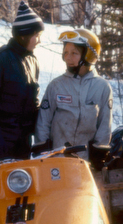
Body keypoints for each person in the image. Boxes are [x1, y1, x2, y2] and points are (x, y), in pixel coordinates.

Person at [0, 1, 44, 161]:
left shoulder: (33, 61)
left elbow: (34, 100)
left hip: (24, 139)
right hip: (2, 138)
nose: (39, 41)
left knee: (24, 182)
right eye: (37, 36)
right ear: (24, 35)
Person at [34, 28, 112, 162]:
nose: (68, 58)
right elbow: (43, 122)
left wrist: (99, 152)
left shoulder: (102, 87)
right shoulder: (56, 85)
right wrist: (42, 149)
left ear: (89, 55)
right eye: (65, 53)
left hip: (86, 161)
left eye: (74, 53)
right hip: (58, 159)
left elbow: (105, 125)